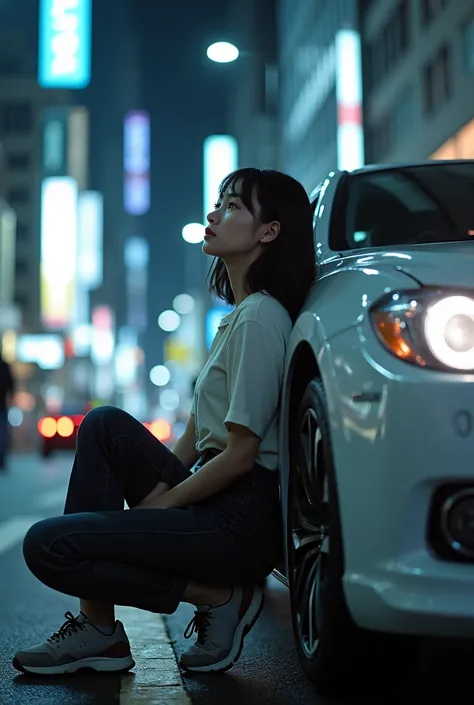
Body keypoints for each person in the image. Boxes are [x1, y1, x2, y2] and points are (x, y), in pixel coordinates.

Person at [12, 167, 317, 677]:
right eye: (218, 202)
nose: (213, 213)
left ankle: (218, 594)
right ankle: (100, 630)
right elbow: (198, 433)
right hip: (218, 500)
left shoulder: (262, 317)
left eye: (233, 206)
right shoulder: (237, 318)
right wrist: (151, 496)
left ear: (269, 231)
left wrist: (165, 503)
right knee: (104, 424)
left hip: (240, 519)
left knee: (48, 544)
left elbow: (242, 454)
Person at [0, 350, 14, 470]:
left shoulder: (5, 366)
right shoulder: (4, 366)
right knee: (2, 433)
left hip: (2, 406)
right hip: (2, 405)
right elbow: (11, 385)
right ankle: (2, 458)